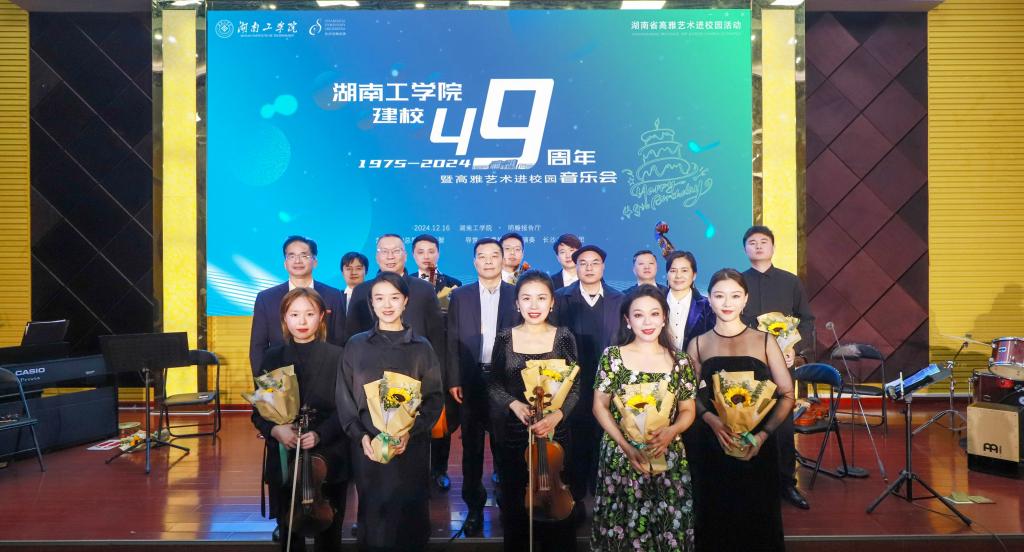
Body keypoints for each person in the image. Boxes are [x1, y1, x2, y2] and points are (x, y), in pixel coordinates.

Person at [687, 269, 794, 552]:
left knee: (758, 518)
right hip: (713, 443)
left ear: (745, 299)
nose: (727, 303)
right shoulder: (698, 343)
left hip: (758, 445)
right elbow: (688, 395)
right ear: (709, 299)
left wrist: (762, 435)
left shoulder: (765, 340)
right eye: (719, 296)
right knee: (716, 518)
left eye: (735, 296)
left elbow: (787, 395)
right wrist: (711, 420)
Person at [336, 272, 443, 552]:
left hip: (411, 446)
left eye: (394, 297)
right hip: (368, 446)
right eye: (379, 298)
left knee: (410, 516)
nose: (387, 305)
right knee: (374, 517)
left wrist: (411, 432)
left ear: (405, 301)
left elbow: (434, 398)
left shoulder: (421, 347)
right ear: (371, 303)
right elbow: (345, 398)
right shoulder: (356, 345)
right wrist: (361, 437)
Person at [591, 285, 697, 551]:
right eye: (638, 315)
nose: (647, 322)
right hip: (621, 454)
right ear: (627, 320)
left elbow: (688, 410)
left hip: (666, 451)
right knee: (622, 526)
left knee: (667, 525)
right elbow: (599, 406)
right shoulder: (612, 357)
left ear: (664, 318)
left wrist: (672, 431)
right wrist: (625, 445)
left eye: (654, 314)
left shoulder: (680, 361)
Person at [486, 270, 579, 551]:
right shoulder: (505, 337)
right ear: (517, 304)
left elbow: (575, 386)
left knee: (556, 505)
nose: (534, 305)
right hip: (516, 433)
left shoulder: (563, 337)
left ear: (552, 302)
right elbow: (493, 383)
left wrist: (557, 416)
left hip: (555, 435)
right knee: (516, 503)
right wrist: (513, 404)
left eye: (541, 298)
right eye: (526, 298)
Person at [252, 287, 348, 552]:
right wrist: (276, 430)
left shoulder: (338, 356)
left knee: (330, 534)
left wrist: (320, 434)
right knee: (290, 533)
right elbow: (259, 411)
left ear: (322, 317)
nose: (302, 321)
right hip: (286, 454)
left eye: (309, 314)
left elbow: (347, 409)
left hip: (330, 452)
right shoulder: (273, 357)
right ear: (284, 318)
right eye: (294, 314)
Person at [446, 238, 520, 536]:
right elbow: (451, 339)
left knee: (506, 446)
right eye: (482, 256)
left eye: (494, 256)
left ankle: (509, 505)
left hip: (507, 380)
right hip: (471, 379)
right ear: (474, 262)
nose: (488, 261)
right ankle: (474, 508)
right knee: (472, 448)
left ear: (503, 260)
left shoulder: (516, 294)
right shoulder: (460, 295)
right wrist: (454, 378)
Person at [740, 225, 815, 510]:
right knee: (748, 421)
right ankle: (752, 483)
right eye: (752, 242)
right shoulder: (738, 282)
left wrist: (794, 348)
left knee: (782, 427)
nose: (758, 246)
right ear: (745, 249)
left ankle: (786, 483)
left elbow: (807, 320)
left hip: (782, 364)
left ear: (772, 247)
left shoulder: (790, 281)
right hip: (748, 365)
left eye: (763, 241)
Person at [553, 244, 624, 519]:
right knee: (577, 440)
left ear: (603, 266)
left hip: (610, 383)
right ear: (576, 267)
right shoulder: (561, 298)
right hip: (573, 385)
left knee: (604, 437)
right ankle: (577, 496)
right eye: (583, 263)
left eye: (595, 262)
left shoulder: (619, 299)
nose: (589, 267)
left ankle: (604, 495)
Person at [410, 234, 462, 492]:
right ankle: (416, 470)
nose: (426, 256)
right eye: (421, 252)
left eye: (431, 251)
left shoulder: (454, 285)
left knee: (442, 419)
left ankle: (440, 470)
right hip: (411, 360)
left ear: (438, 253)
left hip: (441, 357)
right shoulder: (406, 284)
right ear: (413, 255)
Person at [250, 236, 345, 376]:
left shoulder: (334, 295)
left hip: (325, 374)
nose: (298, 261)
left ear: (315, 261)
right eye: (292, 256)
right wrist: (264, 385)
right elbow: (258, 347)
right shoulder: (266, 298)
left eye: (304, 255)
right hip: (281, 377)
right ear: (285, 263)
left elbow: (340, 340)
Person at [345, 234, 444, 350]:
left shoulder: (424, 289)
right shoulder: (361, 291)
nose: (390, 256)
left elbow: (437, 335)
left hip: (416, 357)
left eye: (396, 251)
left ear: (405, 256)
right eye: (384, 251)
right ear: (377, 257)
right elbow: (351, 334)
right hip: (370, 357)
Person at [664, 251, 715, 352]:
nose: (678, 276)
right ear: (667, 274)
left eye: (684, 270)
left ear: (694, 275)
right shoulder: (655, 302)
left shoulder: (707, 305)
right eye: (673, 271)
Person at [340, 251, 368, 317]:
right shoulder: (337, 297)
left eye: (358, 268)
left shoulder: (373, 296)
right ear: (342, 273)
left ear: (366, 271)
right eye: (348, 269)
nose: (353, 272)